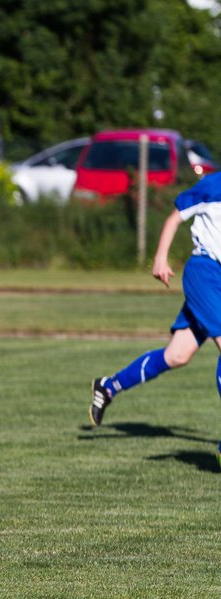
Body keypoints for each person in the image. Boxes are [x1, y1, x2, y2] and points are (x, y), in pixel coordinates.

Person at [89, 171, 221, 449]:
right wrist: (160, 258)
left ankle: (109, 387)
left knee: (177, 355)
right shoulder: (213, 185)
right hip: (205, 274)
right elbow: (174, 218)